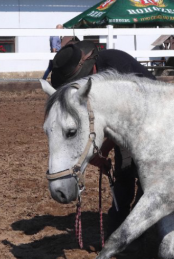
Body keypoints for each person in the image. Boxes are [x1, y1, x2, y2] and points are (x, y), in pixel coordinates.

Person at [51, 40, 156, 239]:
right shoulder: (96, 77)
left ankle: (138, 229)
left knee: (144, 176)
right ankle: (119, 226)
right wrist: (98, 151)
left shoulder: (117, 65)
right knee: (123, 175)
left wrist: (104, 149)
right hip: (121, 129)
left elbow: (129, 119)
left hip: (150, 121)